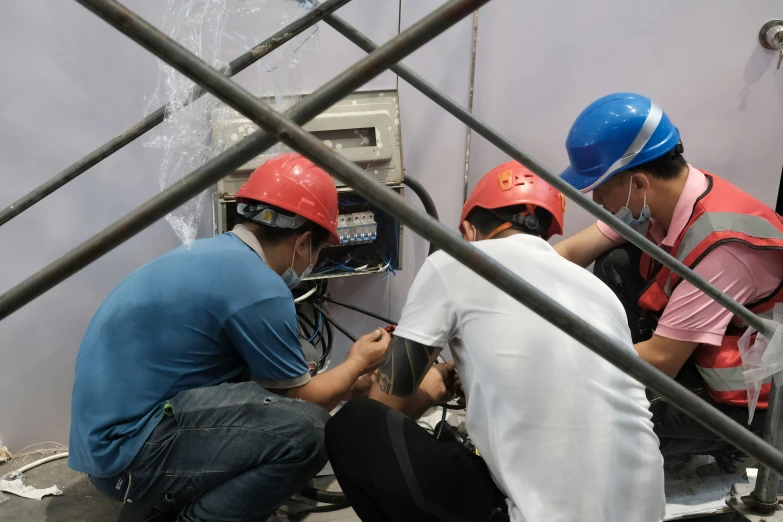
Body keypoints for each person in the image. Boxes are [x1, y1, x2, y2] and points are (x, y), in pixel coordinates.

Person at [325, 162, 666, 522]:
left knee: (356, 425)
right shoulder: (599, 292)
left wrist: (433, 389)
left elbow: (385, 406)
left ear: (469, 231)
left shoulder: (455, 263)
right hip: (646, 509)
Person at [68, 152, 391, 522]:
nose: (311, 263)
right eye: (317, 251)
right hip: (125, 459)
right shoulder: (261, 287)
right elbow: (304, 400)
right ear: (303, 243)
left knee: (298, 356)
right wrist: (357, 365)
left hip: (103, 444)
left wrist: (345, 384)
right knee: (306, 435)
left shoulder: (211, 253)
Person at [554, 92, 783, 458]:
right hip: (703, 343)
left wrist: (556, 362)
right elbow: (567, 254)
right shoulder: (670, 195)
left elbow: (663, 358)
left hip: (751, 390)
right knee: (616, 263)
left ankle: (738, 446)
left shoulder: (721, 249)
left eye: (600, 184)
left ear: (639, 182)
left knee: (609, 415)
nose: (596, 199)